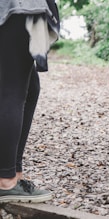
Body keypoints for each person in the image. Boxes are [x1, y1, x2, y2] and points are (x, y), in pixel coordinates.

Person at [0, 0, 59, 202]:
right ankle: (5, 181)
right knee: (12, 88)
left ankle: (14, 175)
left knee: (30, 87)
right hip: (18, 7)